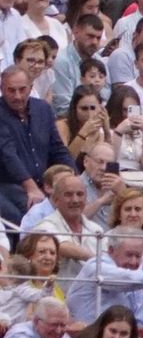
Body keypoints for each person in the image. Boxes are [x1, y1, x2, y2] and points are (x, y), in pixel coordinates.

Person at [0, 63, 71, 224]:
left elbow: (58, 149)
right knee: (32, 214)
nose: (17, 96)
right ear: (1, 88)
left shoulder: (43, 109)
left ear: (31, 87)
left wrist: (74, 177)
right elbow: (7, 154)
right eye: (11, 90)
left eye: (22, 89)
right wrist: (31, 188)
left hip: (45, 182)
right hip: (9, 185)